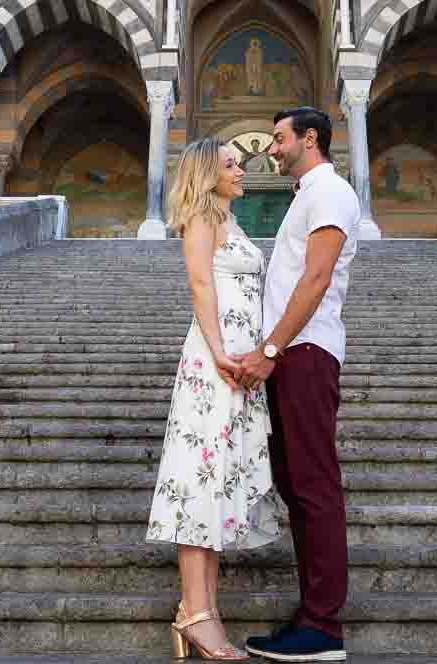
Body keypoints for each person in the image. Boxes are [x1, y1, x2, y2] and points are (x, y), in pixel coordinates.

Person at [148, 137, 280, 661]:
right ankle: (196, 613)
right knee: (200, 482)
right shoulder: (203, 219)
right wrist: (221, 352)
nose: (240, 170)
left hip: (237, 366)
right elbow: (200, 283)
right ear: (208, 174)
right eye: (230, 165)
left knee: (217, 480)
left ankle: (203, 611)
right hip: (214, 364)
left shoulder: (231, 221)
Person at [236, 107, 360, 663]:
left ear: (310, 139)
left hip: (306, 352)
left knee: (312, 484)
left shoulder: (329, 191)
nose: (273, 148)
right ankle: (314, 615)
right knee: (295, 480)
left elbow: (315, 278)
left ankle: (323, 624)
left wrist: (270, 349)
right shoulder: (308, 194)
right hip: (294, 353)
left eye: (281, 138)